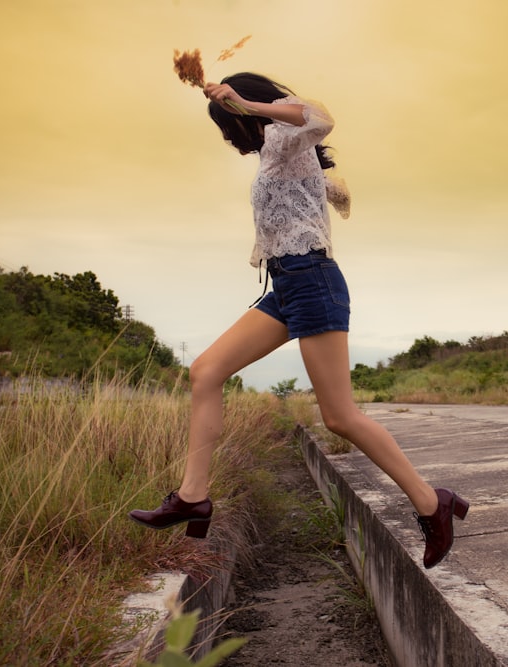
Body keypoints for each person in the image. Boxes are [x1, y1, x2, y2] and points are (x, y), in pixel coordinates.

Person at [129, 73, 468, 569]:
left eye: (228, 127)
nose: (228, 137)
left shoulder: (287, 135)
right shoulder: (277, 153)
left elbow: (320, 118)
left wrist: (243, 102)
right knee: (204, 371)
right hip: (285, 286)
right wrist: (329, 189)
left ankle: (432, 504)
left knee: (340, 417)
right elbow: (308, 187)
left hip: (312, 281)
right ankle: (192, 497)